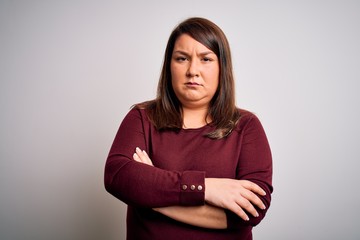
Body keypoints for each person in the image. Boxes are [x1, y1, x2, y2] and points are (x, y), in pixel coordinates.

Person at [104, 17, 273, 240]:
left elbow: (251, 211)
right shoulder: (142, 118)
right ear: (169, 66)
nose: (193, 70)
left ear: (222, 67)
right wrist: (207, 188)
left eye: (206, 59)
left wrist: (154, 200)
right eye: (182, 58)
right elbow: (118, 176)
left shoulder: (247, 125)